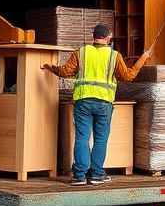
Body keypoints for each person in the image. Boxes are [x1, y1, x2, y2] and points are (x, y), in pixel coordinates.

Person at [43, 23, 151, 185]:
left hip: (83, 102)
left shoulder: (82, 52)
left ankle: (79, 176)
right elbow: (128, 76)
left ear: (93, 36)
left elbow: (66, 72)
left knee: (82, 138)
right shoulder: (114, 56)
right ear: (108, 37)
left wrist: (49, 67)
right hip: (104, 103)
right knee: (100, 140)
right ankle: (97, 174)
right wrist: (143, 59)